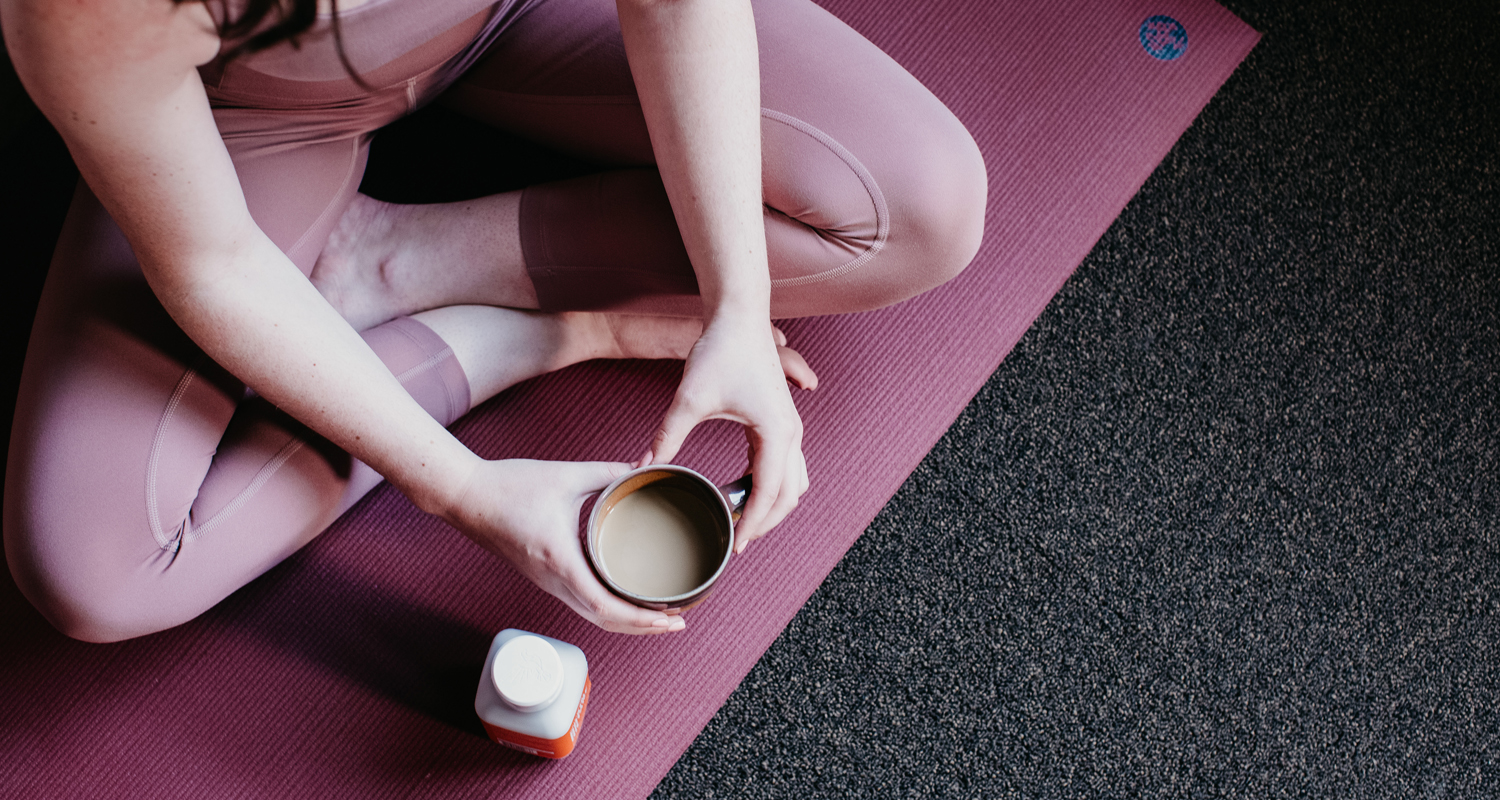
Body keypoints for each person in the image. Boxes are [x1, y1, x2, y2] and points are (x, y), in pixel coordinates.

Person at [0, 0, 986, 643]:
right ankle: (536, 329)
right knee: (101, 572)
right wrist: (465, 488)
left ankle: (399, 259)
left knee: (924, 212)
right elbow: (210, 266)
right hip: (264, 115)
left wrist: (736, 298)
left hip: (516, 17)